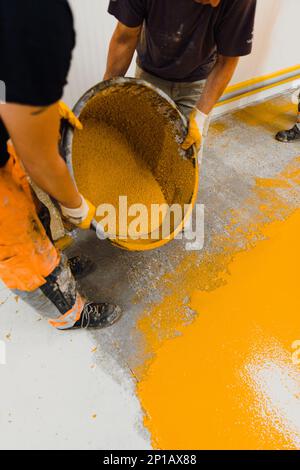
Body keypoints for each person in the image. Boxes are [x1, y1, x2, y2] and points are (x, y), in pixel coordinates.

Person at [0, 0, 121, 330]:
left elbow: (9, 89)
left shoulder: (26, 17)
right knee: (21, 247)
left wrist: (42, 108)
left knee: (35, 212)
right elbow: (40, 161)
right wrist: (75, 206)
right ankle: (69, 314)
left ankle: (57, 264)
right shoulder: (25, 24)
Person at [104, 0, 257, 157]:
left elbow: (227, 61)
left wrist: (200, 116)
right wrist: (105, 95)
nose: (214, 3)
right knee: (142, 152)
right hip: (150, 72)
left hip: (199, 82)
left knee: (185, 159)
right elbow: (124, 39)